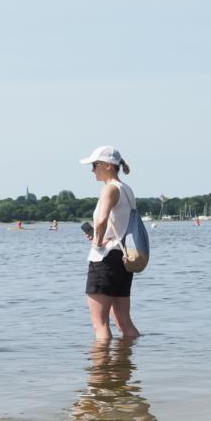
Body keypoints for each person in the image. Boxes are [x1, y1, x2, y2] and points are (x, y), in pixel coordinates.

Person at [79, 146, 140, 341]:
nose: (92, 170)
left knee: (100, 324)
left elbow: (102, 220)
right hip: (122, 259)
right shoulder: (127, 189)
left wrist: (97, 244)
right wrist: (100, 237)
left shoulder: (110, 188)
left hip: (104, 259)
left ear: (108, 166)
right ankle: (127, 367)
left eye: (95, 165)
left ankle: (100, 371)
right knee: (124, 321)